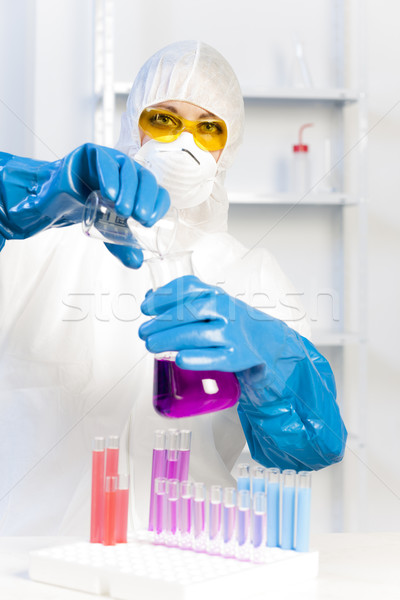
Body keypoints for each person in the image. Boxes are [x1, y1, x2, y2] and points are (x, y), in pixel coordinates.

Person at [0, 40, 346, 536]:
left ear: (226, 151)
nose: (184, 141)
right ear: (132, 127)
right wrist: (30, 192)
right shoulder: (40, 244)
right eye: (163, 119)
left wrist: (272, 361)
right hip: (35, 561)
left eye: (208, 128)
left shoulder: (254, 276)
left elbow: (314, 446)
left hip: (191, 557)